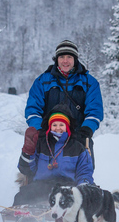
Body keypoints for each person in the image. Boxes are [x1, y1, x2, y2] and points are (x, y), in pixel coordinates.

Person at [20, 39, 103, 167]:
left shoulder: (90, 82)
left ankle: (84, 184)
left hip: (78, 135)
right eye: (62, 57)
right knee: (40, 172)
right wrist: (40, 130)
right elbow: (33, 109)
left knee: (83, 170)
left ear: (75, 59)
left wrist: (86, 130)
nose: (65, 61)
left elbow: (95, 111)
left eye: (69, 57)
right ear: (56, 59)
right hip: (48, 135)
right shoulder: (42, 81)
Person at [13, 108, 94, 207]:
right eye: (54, 125)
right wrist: (27, 152)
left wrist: (83, 187)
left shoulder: (77, 147)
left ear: (67, 126)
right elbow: (26, 169)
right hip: (40, 186)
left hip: (67, 187)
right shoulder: (40, 143)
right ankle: (18, 220)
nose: (58, 128)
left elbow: (85, 171)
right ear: (50, 126)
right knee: (21, 197)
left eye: (61, 125)